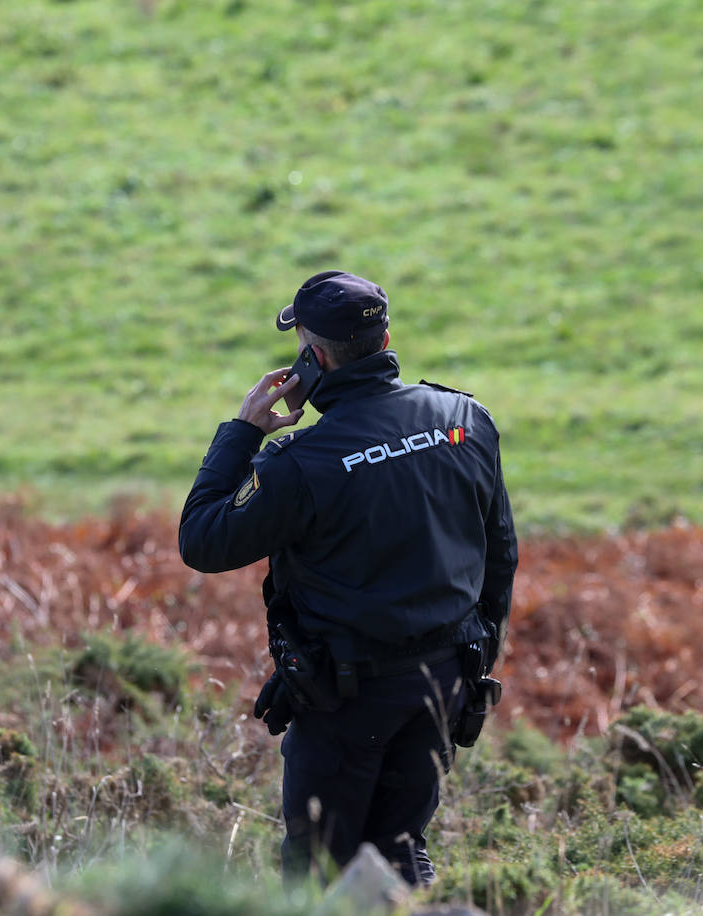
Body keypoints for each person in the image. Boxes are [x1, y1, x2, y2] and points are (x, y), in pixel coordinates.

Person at [178, 270, 518, 886]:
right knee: (400, 850)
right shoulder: (466, 419)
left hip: (347, 697)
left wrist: (243, 433)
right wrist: (475, 658)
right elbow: (501, 553)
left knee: (318, 876)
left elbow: (202, 541)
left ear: (315, 357)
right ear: (387, 338)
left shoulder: (297, 463)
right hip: (446, 681)